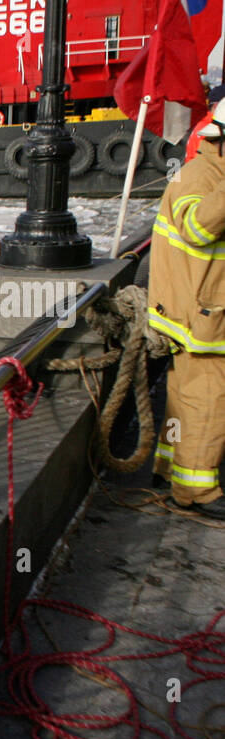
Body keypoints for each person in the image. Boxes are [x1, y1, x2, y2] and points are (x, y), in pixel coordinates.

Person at [150, 99, 225, 518]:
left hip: (195, 308)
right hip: (200, 313)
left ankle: (169, 466)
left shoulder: (210, 172)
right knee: (210, 397)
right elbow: (197, 229)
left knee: (182, 394)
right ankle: (195, 490)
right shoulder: (198, 176)